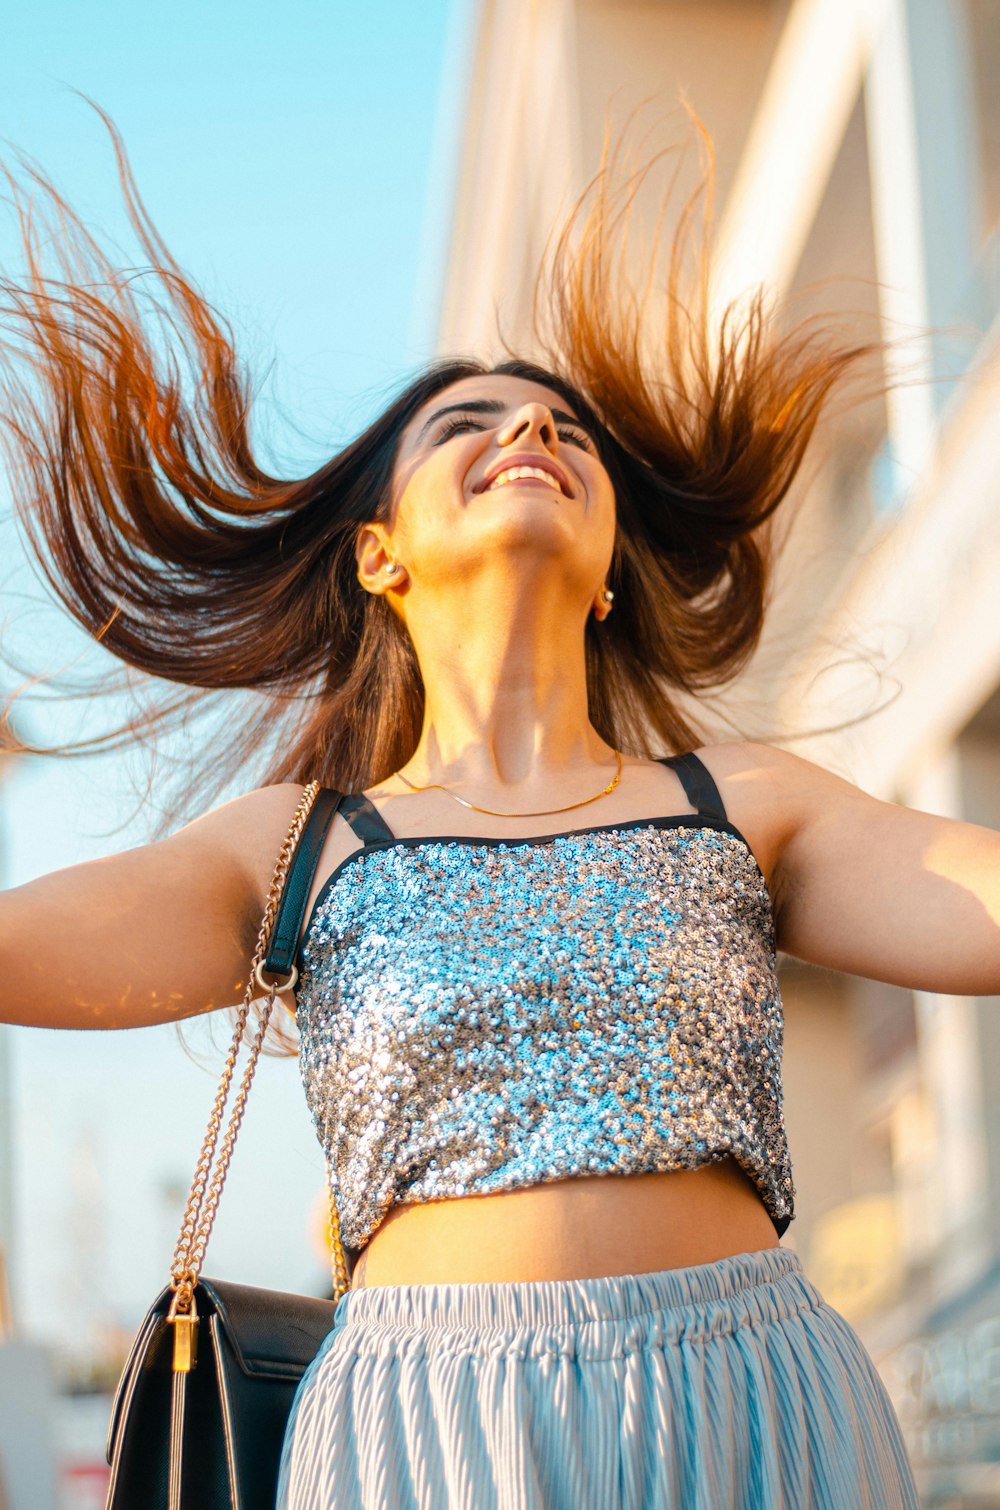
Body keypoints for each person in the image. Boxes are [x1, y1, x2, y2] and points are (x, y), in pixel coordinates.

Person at [2, 118, 994, 1509]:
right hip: (425, 1430)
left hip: (759, 1404)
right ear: (379, 555)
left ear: (606, 577)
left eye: (562, 426)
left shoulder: (741, 802)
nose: (530, 426)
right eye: (468, 422)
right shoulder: (300, 840)